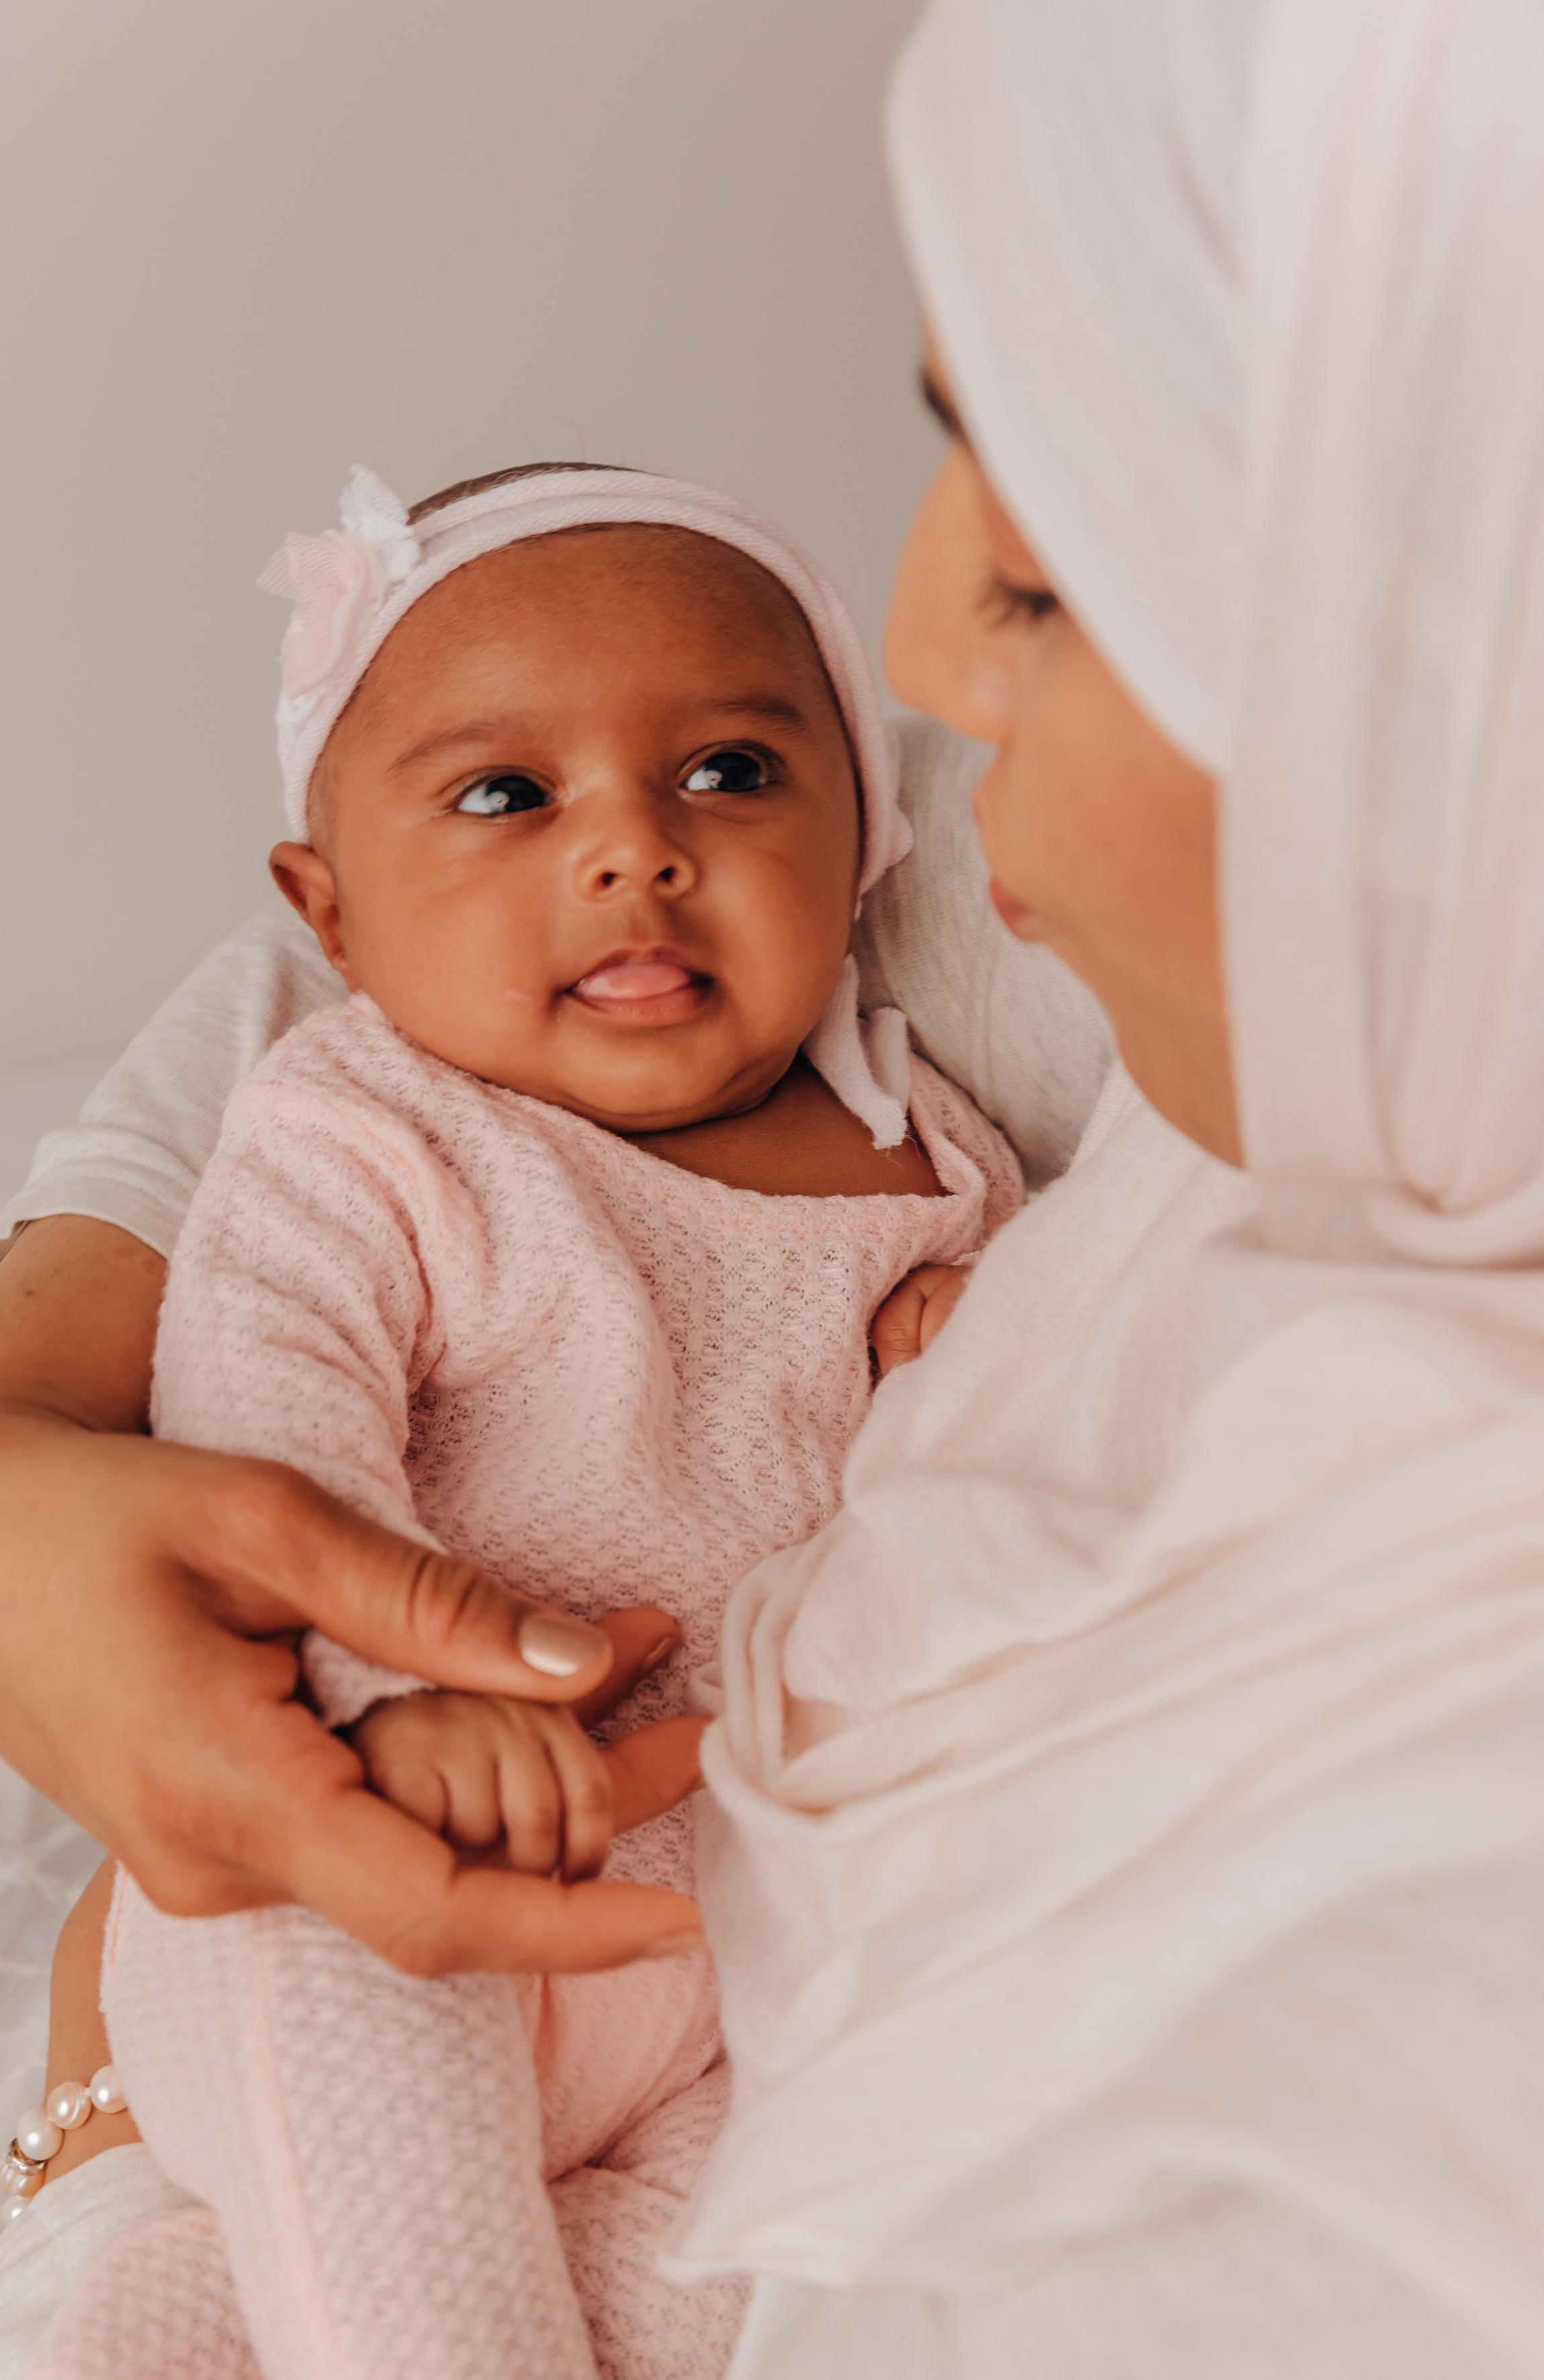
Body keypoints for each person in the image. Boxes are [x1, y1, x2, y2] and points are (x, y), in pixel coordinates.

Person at [653, 1, 1544, 2374]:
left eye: (1042, 573)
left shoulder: (1365, 2138)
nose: (918, 648)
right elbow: (396, 927)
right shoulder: (1333, 1048)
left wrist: (102, 2124)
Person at [0, 461, 1022, 2380]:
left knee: (756, 2270)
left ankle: (166, 2332)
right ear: (330, 911)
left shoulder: (937, 1154)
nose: (635, 847)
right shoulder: (362, 1126)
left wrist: (976, 1360)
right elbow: (272, 1407)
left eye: (732, 773)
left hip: (714, 1927)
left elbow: (996, 1499)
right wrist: (383, 1696)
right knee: (408, 2222)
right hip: (362, 1839)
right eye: (507, 794)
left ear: (865, 833)